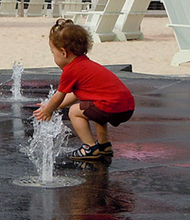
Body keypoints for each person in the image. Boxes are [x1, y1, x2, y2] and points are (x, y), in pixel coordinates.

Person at [33, 19, 135, 160]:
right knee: (93, 109)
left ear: (63, 53)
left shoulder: (71, 70)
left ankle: (89, 147)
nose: (53, 57)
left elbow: (59, 95)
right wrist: (55, 107)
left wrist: (48, 110)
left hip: (112, 106)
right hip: (126, 106)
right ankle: (104, 145)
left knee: (75, 111)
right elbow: (74, 95)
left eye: (53, 53)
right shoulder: (85, 64)